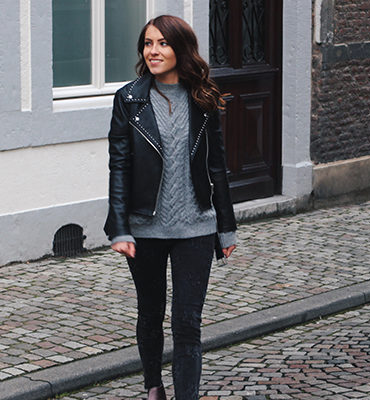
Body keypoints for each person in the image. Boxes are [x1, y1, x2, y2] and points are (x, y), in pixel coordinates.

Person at [104, 14, 237, 400]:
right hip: (144, 227)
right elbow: (119, 166)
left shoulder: (203, 97)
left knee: (187, 322)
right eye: (148, 43)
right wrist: (120, 227)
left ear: (181, 49)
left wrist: (226, 226)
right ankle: (154, 386)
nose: (153, 51)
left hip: (196, 226)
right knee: (150, 313)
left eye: (162, 43)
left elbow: (217, 165)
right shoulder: (129, 99)